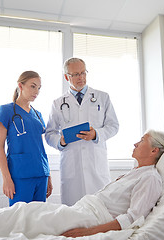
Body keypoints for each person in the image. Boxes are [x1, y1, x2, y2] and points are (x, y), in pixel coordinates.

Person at [0, 130, 164, 239]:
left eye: (142, 141)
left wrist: (86, 232)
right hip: (82, 209)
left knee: (23, 214)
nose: (136, 143)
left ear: (155, 151)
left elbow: (133, 218)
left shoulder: (150, 178)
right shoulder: (136, 172)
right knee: (21, 212)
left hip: (87, 218)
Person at [45, 57, 119, 206]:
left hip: (95, 164)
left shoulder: (102, 97)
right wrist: (61, 141)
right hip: (71, 166)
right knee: (72, 213)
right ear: (67, 77)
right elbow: (49, 133)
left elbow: (113, 126)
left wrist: (96, 134)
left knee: (100, 210)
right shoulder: (58, 103)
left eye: (83, 73)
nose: (81, 77)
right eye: (76, 74)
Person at [0, 70, 52, 206]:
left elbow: (40, 147)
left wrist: (48, 175)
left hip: (41, 174)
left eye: (39, 88)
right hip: (20, 175)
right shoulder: (6, 111)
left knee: (38, 219)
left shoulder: (38, 114)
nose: (36, 91)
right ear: (20, 86)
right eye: (33, 86)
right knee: (19, 220)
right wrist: (6, 179)